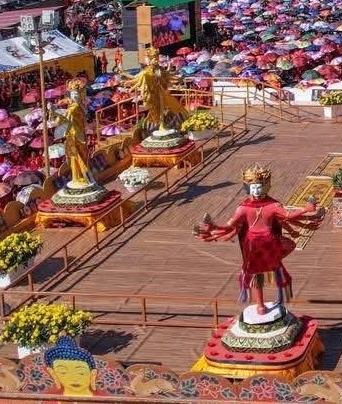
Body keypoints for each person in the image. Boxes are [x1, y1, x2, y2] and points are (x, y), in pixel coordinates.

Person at [195, 164, 322, 320]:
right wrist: (306, 209)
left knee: (277, 256)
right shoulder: (248, 208)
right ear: (248, 188)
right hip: (258, 244)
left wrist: (213, 229)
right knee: (259, 276)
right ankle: (261, 305)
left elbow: (287, 215)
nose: (256, 190)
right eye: (253, 187)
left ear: (266, 186)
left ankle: (264, 296)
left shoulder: (270, 206)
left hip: (261, 243)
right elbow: (230, 225)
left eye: (259, 187)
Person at [125, 48, 185, 131]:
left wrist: (176, 85)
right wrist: (130, 84)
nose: (156, 61)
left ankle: (164, 124)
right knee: (156, 111)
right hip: (153, 94)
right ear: (149, 60)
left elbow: (167, 77)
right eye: (154, 59)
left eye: (157, 59)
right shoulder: (146, 72)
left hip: (161, 93)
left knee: (167, 108)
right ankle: (157, 126)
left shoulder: (160, 69)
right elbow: (137, 79)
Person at [53, 79, 94, 188]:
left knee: (78, 156)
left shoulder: (75, 107)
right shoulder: (78, 106)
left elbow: (59, 121)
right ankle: (78, 177)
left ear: (81, 94)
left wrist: (53, 113)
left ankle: (80, 177)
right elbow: (66, 107)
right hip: (75, 135)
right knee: (76, 157)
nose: (75, 95)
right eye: (73, 93)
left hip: (77, 135)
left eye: (77, 93)